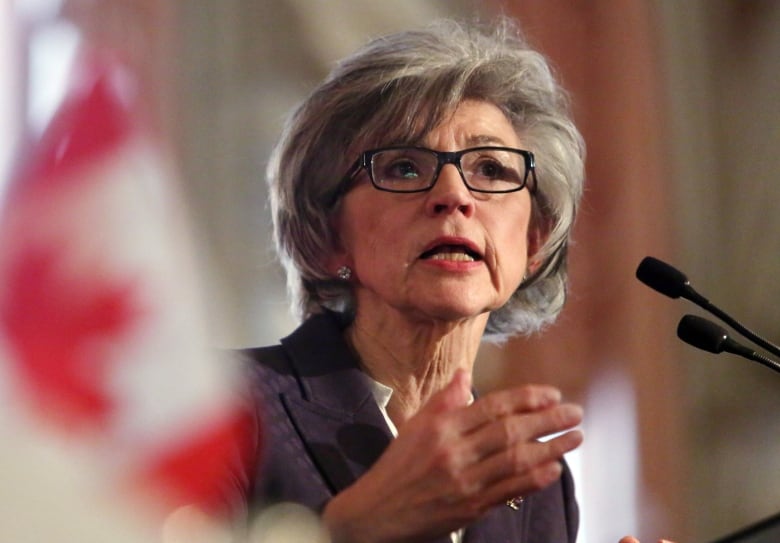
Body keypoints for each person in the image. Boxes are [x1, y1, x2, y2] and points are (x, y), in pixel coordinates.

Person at [235, 17, 671, 543]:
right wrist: (356, 531)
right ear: (328, 239)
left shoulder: (535, 482)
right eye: (402, 168)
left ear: (533, 243)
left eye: (490, 169)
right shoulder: (233, 411)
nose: (455, 195)